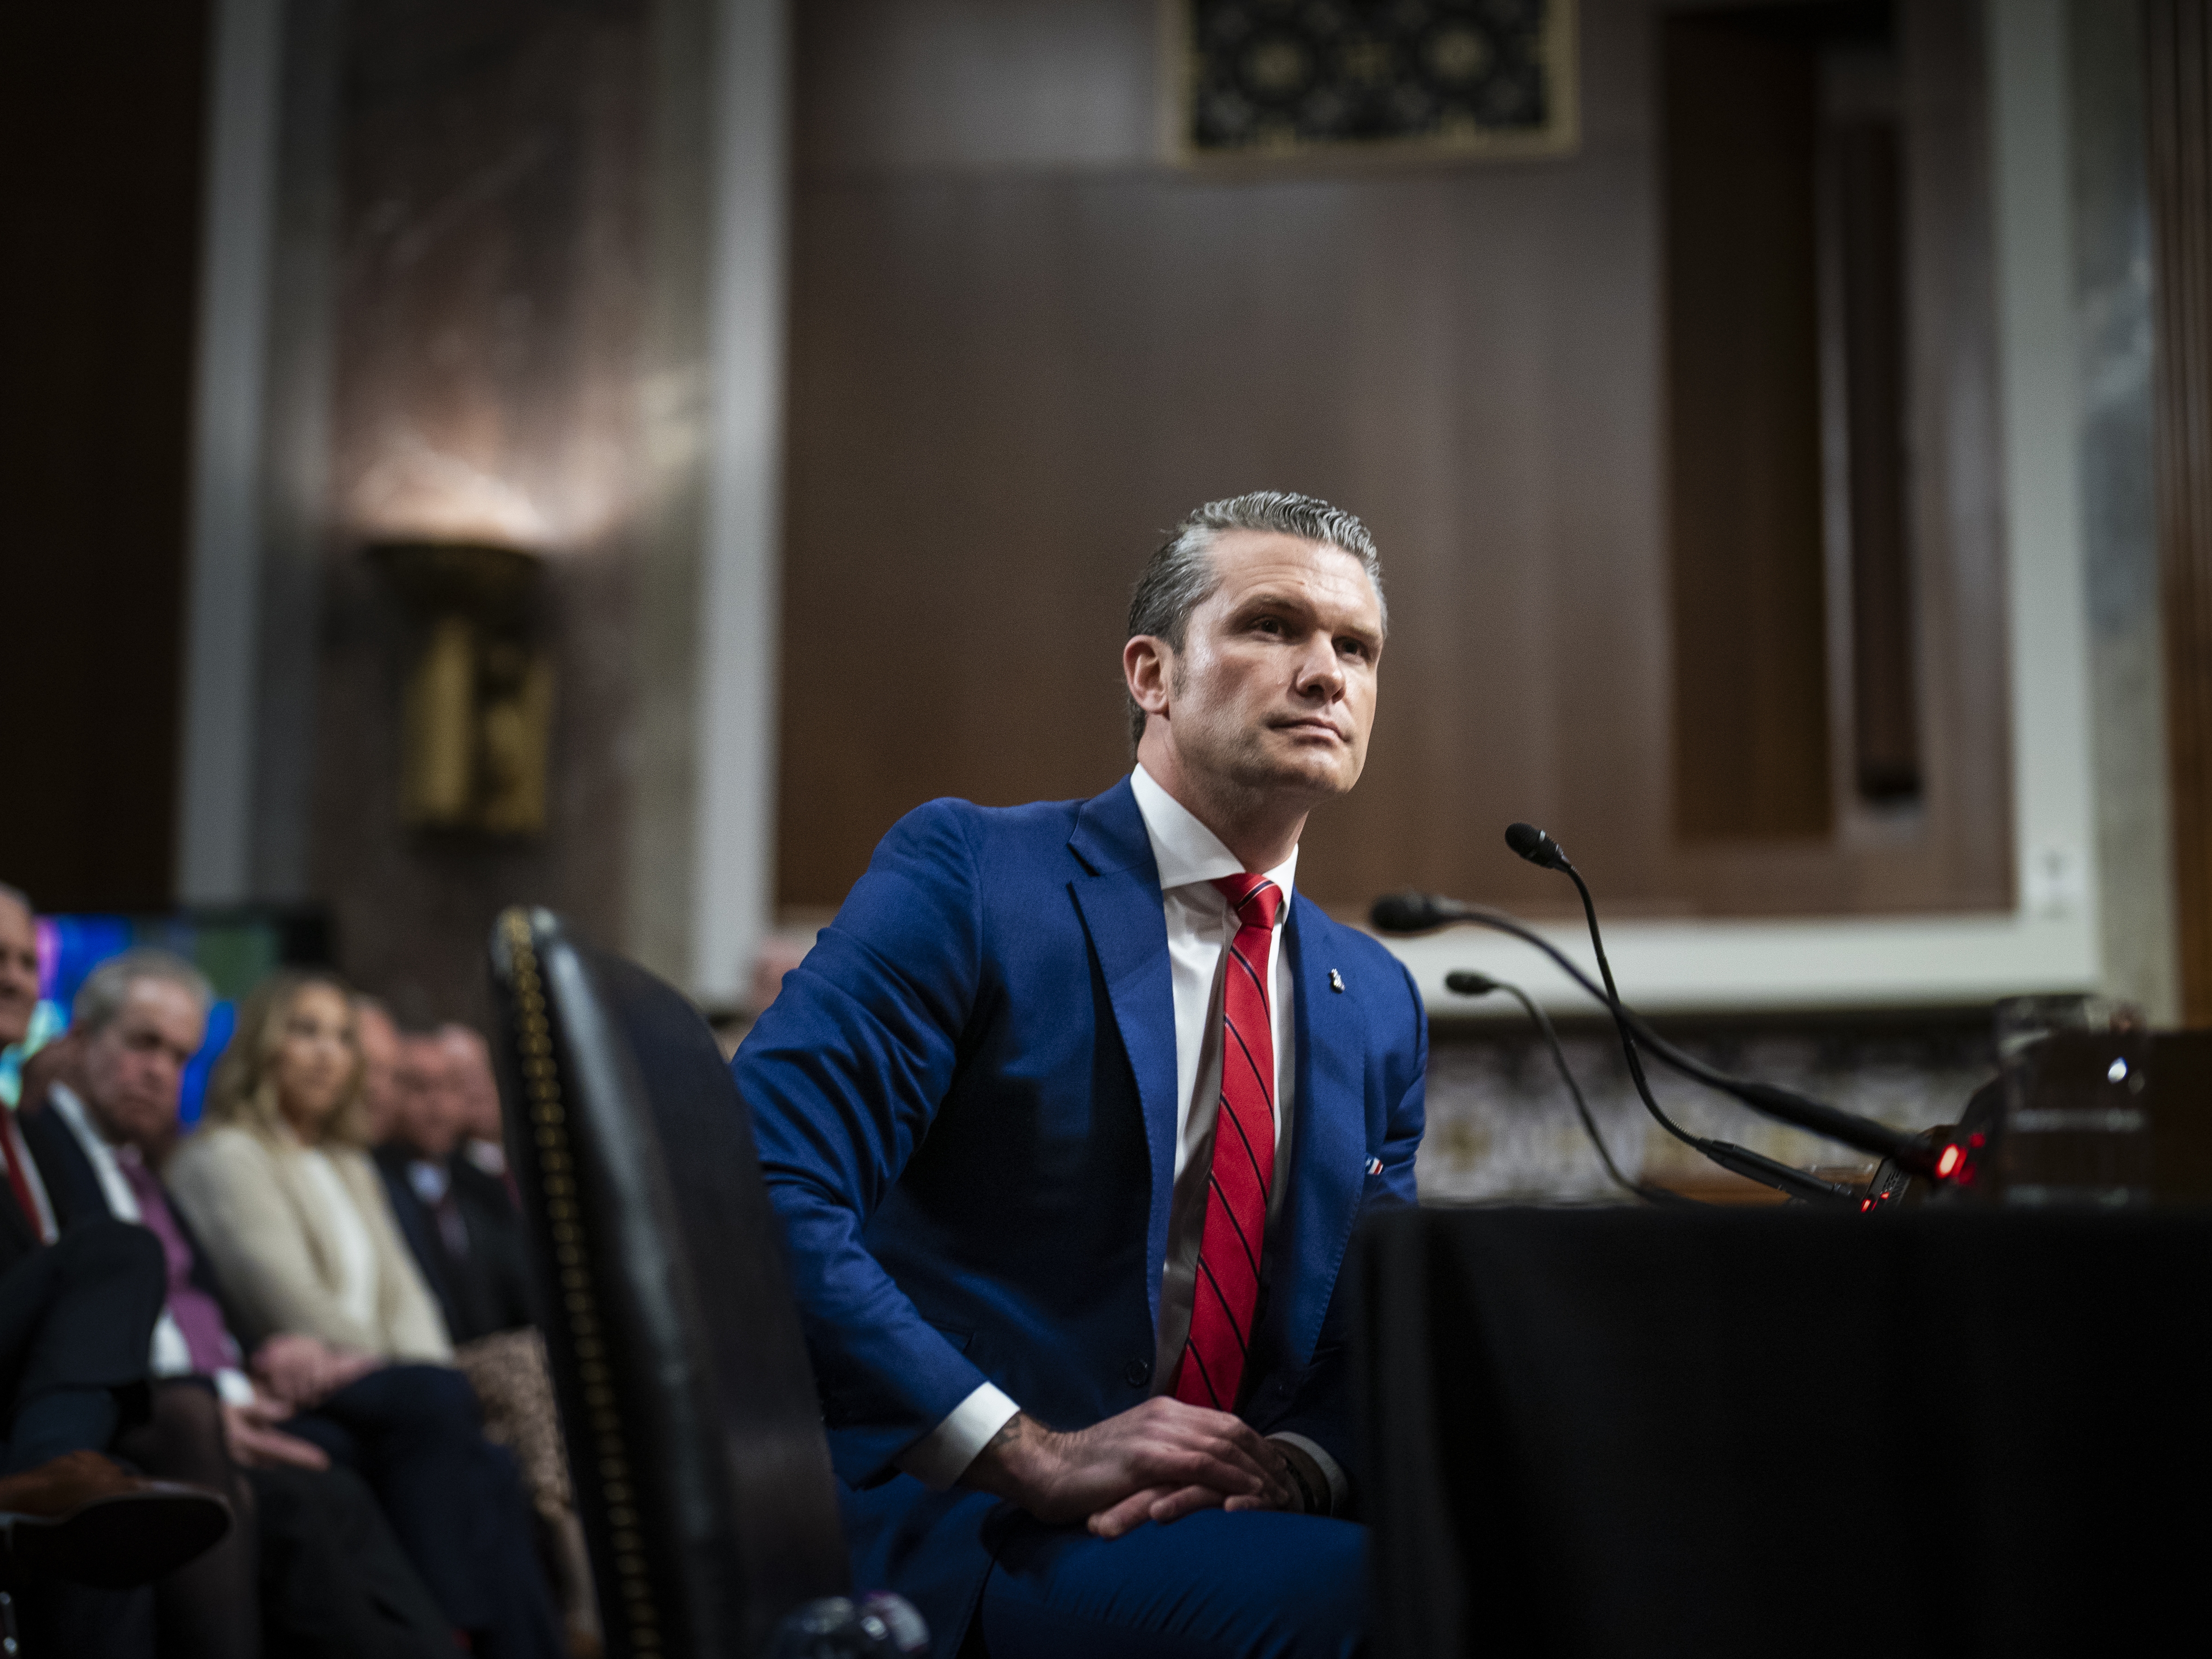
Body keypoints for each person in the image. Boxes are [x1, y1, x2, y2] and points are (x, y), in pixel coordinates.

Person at [735, 493, 1426, 1657]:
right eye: (1272, 626)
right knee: (1405, 1610)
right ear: (1152, 673)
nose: (1325, 673)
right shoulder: (972, 875)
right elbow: (760, 1183)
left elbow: (1374, 1322)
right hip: (969, 1520)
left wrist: (1296, 1471)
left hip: (1230, 1527)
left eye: (1355, 647)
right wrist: (1030, 1451)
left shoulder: (1381, 1001)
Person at [22, 948, 473, 1658]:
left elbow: (212, 1311)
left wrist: (240, 1380)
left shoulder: (146, 1171)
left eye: (178, 1057)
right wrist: (225, 1393)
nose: (160, 1071)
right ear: (80, 1040)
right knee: (339, 1452)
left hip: (231, 1395)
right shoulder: (46, 1143)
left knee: (345, 1488)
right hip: (150, 1408)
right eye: (143, 1043)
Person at [165, 970, 564, 1659]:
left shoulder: (348, 1162)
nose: (326, 1052)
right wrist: (406, 1371)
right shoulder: (226, 1155)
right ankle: (451, 1631)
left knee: (489, 1460)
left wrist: (421, 1367)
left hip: (377, 1381)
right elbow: (285, 1298)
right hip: (296, 1383)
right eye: (305, 1031)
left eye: (342, 1037)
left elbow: (407, 1296)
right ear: (264, 1047)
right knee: (435, 1400)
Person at [0, 888, 232, 1656]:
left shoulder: (21, 1128)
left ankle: (61, 1486)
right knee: (121, 1250)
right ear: (87, 1036)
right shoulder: (43, 1121)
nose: (15, 977)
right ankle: (46, 1476)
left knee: (121, 1515)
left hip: (36, 1379)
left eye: (27, 962)